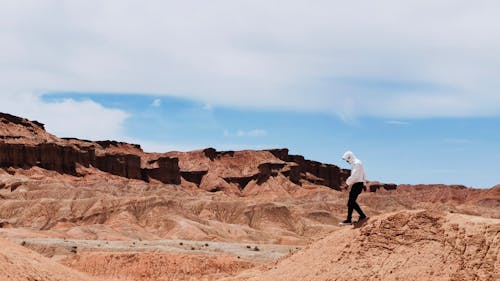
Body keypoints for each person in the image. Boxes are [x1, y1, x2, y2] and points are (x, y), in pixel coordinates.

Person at [340, 150, 367, 225]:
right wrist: (364, 183)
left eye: (347, 160)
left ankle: (356, 218)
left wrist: (347, 183)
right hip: (358, 184)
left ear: (350, 157)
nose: (347, 162)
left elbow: (354, 176)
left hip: (357, 184)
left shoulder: (356, 163)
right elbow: (363, 173)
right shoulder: (358, 162)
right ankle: (359, 216)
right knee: (351, 202)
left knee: (351, 202)